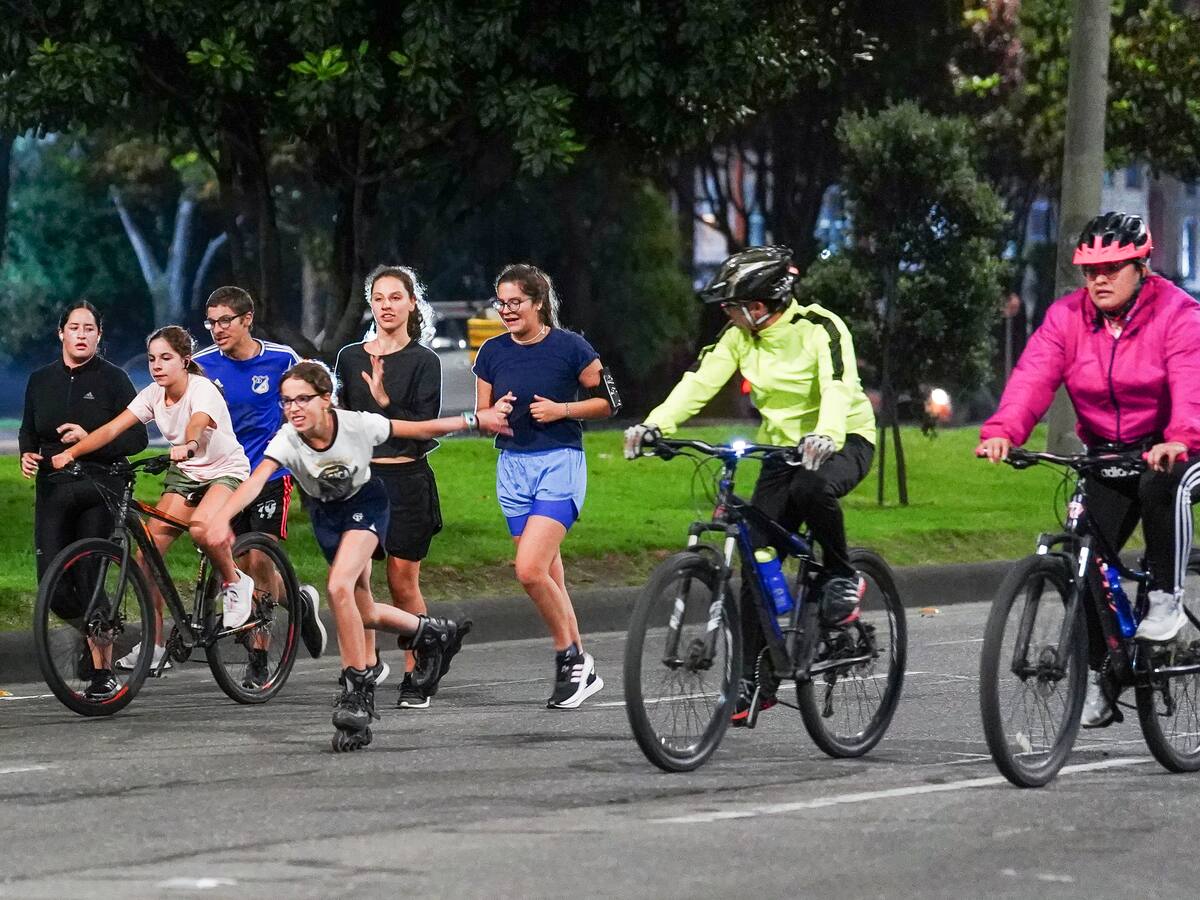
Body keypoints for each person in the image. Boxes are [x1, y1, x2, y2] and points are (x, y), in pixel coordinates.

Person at [623, 245, 877, 725]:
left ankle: (843, 577)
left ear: (765, 304)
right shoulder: (737, 337)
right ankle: (753, 681)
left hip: (844, 438)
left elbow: (838, 386)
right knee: (756, 558)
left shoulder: (821, 327)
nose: (730, 313)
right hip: (782, 449)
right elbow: (698, 381)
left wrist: (826, 433)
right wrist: (656, 426)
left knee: (810, 489)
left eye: (737, 306)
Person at [200, 361, 510, 749]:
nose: (294, 408)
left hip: (366, 505)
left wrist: (476, 418)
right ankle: (430, 632)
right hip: (327, 518)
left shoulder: (357, 424)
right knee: (362, 610)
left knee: (338, 587)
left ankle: (357, 688)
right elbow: (257, 480)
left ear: (326, 399)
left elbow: (417, 430)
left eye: (302, 399)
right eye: (286, 402)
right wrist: (222, 517)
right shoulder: (287, 439)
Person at [977, 211, 1200, 728]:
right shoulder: (1066, 318)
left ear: (1142, 265)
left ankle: (1166, 601)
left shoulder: (1178, 313)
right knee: (1083, 550)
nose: (1100, 279)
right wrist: (1004, 431)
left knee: (1161, 485)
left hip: (1176, 447)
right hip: (1107, 451)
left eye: (1114, 267)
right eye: (1090, 269)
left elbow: (1192, 380)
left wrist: (1180, 438)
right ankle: (1108, 668)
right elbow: (1034, 374)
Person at [49, 326, 253, 688]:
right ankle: (156, 645)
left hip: (225, 471)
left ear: (185, 361)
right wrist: (71, 453)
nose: (157, 366)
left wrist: (189, 444)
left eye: (166, 358)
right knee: (146, 556)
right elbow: (112, 429)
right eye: (152, 359)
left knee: (204, 528)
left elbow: (198, 421)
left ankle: (236, 582)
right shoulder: (153, 394)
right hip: (186, 474)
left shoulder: (201, 388)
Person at [472, 263, 619, 709]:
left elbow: (608, 403)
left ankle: (568, 657)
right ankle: (582, 665)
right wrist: (493, 414)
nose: (507, 311)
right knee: (550, 572)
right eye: (502, 303)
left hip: (559, 464)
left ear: (538, 302)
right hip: (513, 469)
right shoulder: (491, 353)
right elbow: (483, 418)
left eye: (516, 302)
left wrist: (562, 411)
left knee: (529, 570)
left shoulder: (571, 347)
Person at [194, 286, 327, 680]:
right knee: (235, 565)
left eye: (225, 321)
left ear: (246, 319)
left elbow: (315, 391)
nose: (217, 329)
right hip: (224, 476)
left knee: (259, 560)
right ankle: (299, 600)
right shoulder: (201, 366)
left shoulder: (280, 359)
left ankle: (258, 658)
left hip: (270, 474)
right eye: (211, 322)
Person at [20, 301, 150, 695]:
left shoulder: (113, 379)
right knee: (54, 588)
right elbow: (29, 429)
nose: (81, 334)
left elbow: (137, 437)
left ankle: (101, 667)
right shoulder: (40, 379)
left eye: (89, 328)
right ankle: (101, 628)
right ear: (61, 333)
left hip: (100, 485)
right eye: (74, 327)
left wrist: (88, 437)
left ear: (98, 335)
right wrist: (28, 453)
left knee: (90, 574)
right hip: (53, 488)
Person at [335, 265, 444, 709]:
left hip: (407, 479)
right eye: (379, 298)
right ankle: (363, 667)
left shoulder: (424, 361)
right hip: (361, 482)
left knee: (402, 580)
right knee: (356, 579)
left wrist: (384, 403)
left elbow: (425, 427)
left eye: (395, 297)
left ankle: (418, 668)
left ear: (411, 303)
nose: (386, 306)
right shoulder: (350, 357)